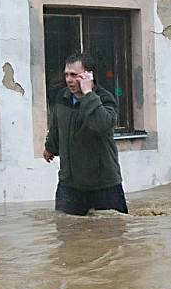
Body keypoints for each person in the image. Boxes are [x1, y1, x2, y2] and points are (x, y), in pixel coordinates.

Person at [44, 52, 128, 215]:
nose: (68, 79)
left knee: (113, 233)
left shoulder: (104, 99)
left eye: (74, 75)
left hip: (104, 185)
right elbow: (56, 127)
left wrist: (89, 94)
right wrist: (50, 147)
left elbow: (102, 125)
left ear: (89, 76)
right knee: (66, 233)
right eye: (66, 75)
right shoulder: (62, 97)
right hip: (69, 185)